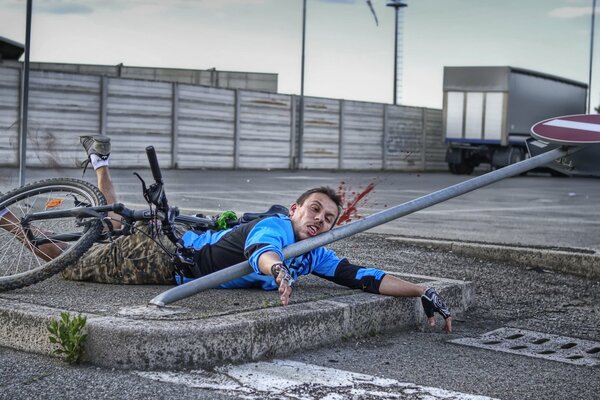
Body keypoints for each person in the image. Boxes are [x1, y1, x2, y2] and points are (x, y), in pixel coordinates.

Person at [2, 135, 453, 333]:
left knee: (114, 222)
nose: (319, 220)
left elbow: (365, 277)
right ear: (296, 209)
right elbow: (261, 252)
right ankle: (7, 221)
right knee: (68, 261)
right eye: (313, 210)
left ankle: (99, 162)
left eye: (328, 218)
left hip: (173, 238)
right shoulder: (275, 227)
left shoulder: (314, 254)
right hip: (164, 258)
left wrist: (421, 290)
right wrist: (277, 272)